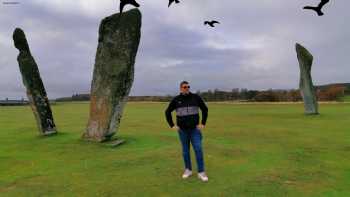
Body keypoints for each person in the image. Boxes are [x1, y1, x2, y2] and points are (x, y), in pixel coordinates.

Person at [165, 81, 209, 182]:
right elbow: (167, 112)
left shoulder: (196, 97)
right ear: (181, 88)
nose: (187, 88)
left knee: (198, 149)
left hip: (195, 130)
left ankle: (201, 172)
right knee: (185, 151)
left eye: (188, 87)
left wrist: (203, 123)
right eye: (185, 87)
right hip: (182, 131)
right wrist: (172, 125)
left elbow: (205, 109)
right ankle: (188, 170)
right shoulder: (176, 100)